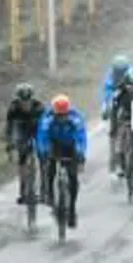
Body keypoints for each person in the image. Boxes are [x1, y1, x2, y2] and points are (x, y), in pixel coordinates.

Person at [36, 94, 88, 229]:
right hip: (54, 145)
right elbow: (42, 136)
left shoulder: (75, 118)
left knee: (73, 178)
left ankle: (71, 210)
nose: (62, 118)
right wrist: (44, 151)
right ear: (54, 113)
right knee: (49, 171)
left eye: (64, 115)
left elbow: (81, 136)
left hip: (70, 146)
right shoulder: (48, 119)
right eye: (59, 115)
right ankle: (51, 198)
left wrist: (81, 152)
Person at [4, 82, 45, 205]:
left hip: (37, 129)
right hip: (22, 130)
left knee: (43, 158)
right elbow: (9, 128)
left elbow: (46, 126)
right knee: (22, 158)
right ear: (18, 99)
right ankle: (22, 191)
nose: (25, 104)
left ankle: (44, 190)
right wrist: (10, 145)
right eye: (22, 101)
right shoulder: (13, 108)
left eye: (27, 101)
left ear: (32, 98)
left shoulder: (39, 107)